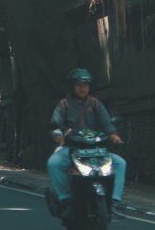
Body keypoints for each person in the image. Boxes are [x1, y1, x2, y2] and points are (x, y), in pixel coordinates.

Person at [47, 68, 127, 212]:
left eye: (85, 84)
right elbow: (55, 124)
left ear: (90, 86)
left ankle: (114, 200)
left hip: (96, 150)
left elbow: (107, 123)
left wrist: (114, 136)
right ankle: (65, 199)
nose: (82, 88)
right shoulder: (64, 104)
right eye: (78, 84)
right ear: (72, 86)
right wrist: (58, 135)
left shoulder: (96, 104)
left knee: (120, 163)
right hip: (71, 148)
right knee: (53, 163)